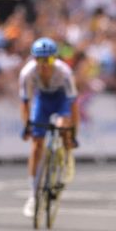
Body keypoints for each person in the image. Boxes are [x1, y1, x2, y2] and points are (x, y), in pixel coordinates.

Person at [18, 37, 79, 218]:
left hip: (61, 100)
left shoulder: (65, 72)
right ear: (34, 59)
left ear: (55, 59)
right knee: (36, 144)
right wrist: (27, 126)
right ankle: (33, 194)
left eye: (49, 60)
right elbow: (25, 103)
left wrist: (73, 133)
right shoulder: (27, 73)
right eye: (40, 60)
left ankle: (66, 157)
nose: (44, 65)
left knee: (62, 127)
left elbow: (73, 105)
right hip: (43, 101)